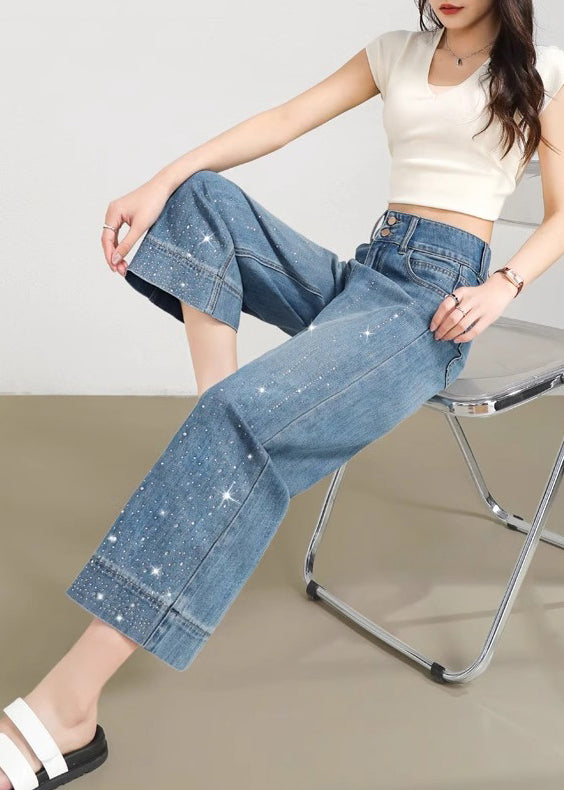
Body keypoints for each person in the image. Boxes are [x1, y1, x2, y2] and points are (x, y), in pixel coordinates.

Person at [2, 1, 564, 788]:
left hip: (431, 310)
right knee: (199, 197)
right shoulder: (397, 52)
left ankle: (68, 708)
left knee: (236, 422)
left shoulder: (541, 72)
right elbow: (283, 120)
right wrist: (159, 181)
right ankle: (223, 421)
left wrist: (506, 283)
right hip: (368, 273)